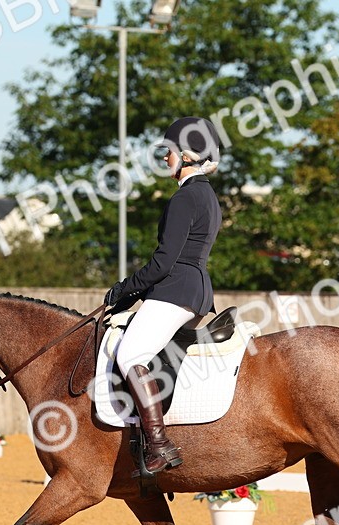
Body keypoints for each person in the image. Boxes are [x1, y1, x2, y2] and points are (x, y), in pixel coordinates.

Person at [104, 116, 223, 475]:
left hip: (177, 290)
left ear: (188, 155)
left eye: (168, 152)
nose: (165, 159)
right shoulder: (208, 196)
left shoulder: (186, 198)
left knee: (129, 354)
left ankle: (158, 444)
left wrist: (124, 290)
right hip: (196, 290)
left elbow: (162, 262)